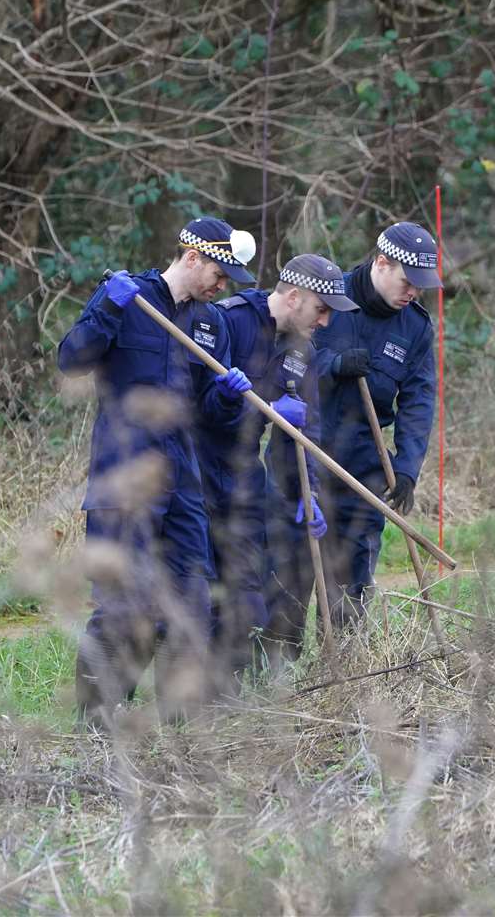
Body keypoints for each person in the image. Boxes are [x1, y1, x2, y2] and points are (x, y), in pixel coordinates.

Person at [58, 216, 255, 726]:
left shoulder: (212, 323)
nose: (223, 285)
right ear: (192, 257)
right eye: (219, 272)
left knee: (192, 597)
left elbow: (208, 412)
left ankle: (182, 720)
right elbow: (70, 361)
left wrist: (229, 398)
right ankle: (96, 719)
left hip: (182, 479)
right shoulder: (129, 300)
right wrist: (106, 309)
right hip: (124, 473)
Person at [195, 254, 357, 678]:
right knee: (201, 592)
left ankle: (232, 703)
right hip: (195, 473)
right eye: (321, 310)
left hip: (244, 476)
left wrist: (310, 496)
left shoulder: (302, 350)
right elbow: (201, 412)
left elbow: (305, 432)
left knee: (246, 595)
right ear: (295, 296)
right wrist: (267, 408)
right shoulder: (230, 322)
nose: (324, 322)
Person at [305, 223, 441, 630]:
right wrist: (332, 366)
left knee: (353, 576)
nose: (414, 292)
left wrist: (407, 468)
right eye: (407, 282)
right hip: (304, 447)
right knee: (288, 570)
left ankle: (348, 665)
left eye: (421, 286)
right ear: (382, 263)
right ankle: (277, 669)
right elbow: (285, 364)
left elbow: (420, 399)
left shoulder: (415, 327)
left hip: (366, 459)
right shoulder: (327, 295)